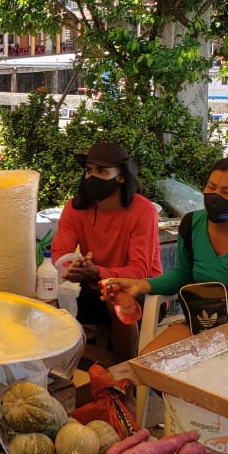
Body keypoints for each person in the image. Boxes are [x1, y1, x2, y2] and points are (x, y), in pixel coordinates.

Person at [103, 157, 228, 353]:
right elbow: (182, 275)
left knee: (188, 371)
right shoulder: (192, 224)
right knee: (148, 361)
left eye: (227, 192)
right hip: (202, 323)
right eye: (211, 187)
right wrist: (140, 285)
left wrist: (205, 345)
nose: (215, 196)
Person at [50, 142, 161, 361]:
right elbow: (59, 254)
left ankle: (123, 380)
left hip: (141, 291)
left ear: (121, 177)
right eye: (89, 170)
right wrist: (73, 268)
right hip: (93, 285)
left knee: (117, 297)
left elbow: (139, 271)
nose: (91, 177)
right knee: (45, 293)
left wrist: (96, 272)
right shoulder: (75, 208)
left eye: (101, 171)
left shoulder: (143, 212)